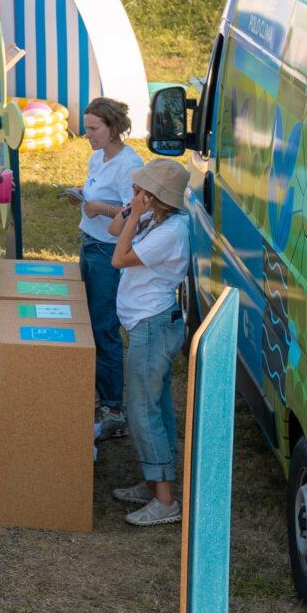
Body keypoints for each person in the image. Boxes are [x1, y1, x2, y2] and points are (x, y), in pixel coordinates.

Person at [111, 158, 193, 526]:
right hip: (148, 326)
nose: (137, 191)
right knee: (153, 407)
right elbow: (116, 229)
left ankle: (165, 501)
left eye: (143, 188)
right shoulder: (158, 221)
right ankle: (153, 480)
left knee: (143, 414)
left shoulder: (170, 232)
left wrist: (135, 216)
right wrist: (133, 210)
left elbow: (118, 258)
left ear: (157, 196)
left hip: (152, 328)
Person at [66, 96, 140, 439]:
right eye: (87, 127)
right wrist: (81, 195)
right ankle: (97, 392)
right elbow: (97, 195)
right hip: (90, 244)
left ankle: (113, 408)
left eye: (94, 128)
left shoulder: (130, 164)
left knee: (104, 328)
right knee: (89, 322)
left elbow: (136, 213)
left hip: (109, 253)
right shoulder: (98, 157)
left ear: (113, 129)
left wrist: (101, 209)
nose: (87, 134)